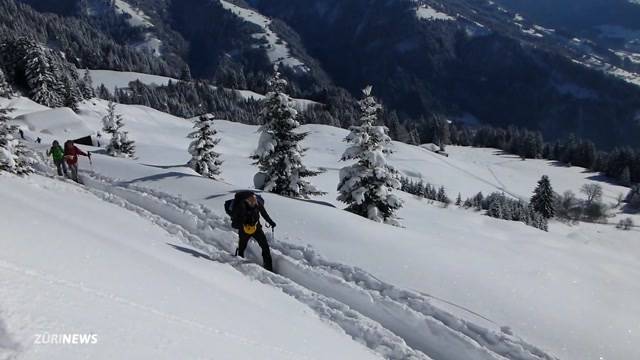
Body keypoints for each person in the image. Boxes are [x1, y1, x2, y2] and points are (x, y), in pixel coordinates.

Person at [230, 191, 276, 272]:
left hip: (256, 228)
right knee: (241, 248)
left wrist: (271, 222)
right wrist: (241, 222)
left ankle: (268, 268)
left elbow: (264, 214)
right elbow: (234, 223)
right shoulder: (240, 207)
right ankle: (239, 267)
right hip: (244, 230)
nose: (254, 202)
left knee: (265, 247)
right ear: (246, 200)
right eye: (251, 200)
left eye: (254, 199)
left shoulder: (257, 203)